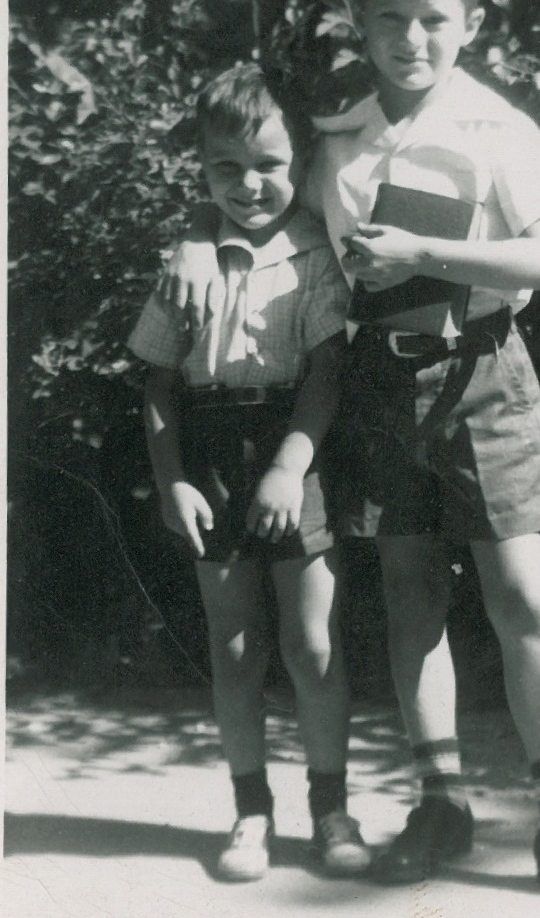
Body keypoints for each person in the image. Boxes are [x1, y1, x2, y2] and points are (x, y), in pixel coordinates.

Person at [158, 0, 540, 907]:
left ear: (469, 23)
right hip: (379, 387)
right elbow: (256, 197)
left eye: (433, 18)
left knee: (520, 597)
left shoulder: (494, 126)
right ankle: (440, 802)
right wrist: (194, 236)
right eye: (389, 18)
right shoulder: (338, 134)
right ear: (358, 21)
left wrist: (427, 255)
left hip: (482, 370)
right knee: (409, 597)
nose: (411, 39)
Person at [128, 63, 371, 882]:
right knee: (233, 647)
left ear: (299, 159)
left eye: (268, 163)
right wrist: (173, 480)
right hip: (209, 451)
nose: (248, 183)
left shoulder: (315, 255)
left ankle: (331, 808)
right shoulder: (187, 264)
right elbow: (158, 382)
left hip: (294, 442)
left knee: (311, 642)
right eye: (225, 166)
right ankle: (250, 810)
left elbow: (328, 374)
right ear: (201, 168)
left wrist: (289, 468)